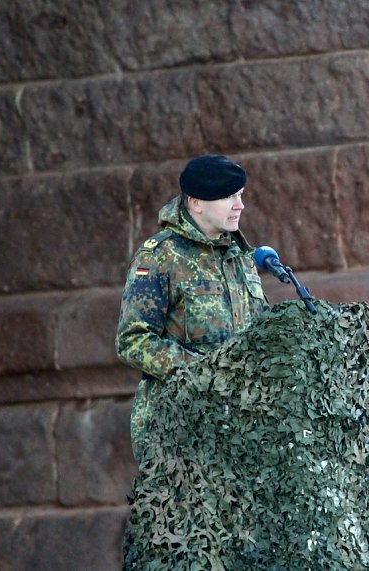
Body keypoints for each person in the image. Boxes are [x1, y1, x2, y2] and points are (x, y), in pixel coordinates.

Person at [116, 154, 268, 458]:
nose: (240, 205)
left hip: (237, 427)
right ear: (196, 202)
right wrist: (207, 371)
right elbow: (133, 341)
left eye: (240, 196)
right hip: (180, 430)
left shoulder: (240, 257)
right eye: (228, 197)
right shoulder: (161, 257)